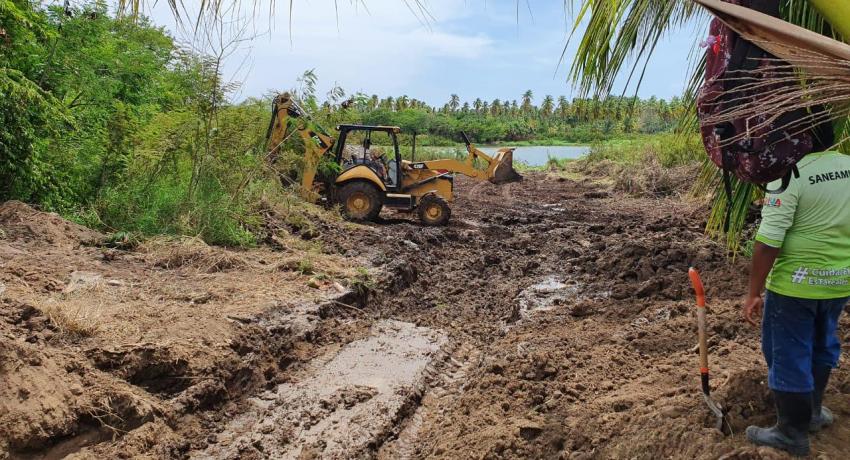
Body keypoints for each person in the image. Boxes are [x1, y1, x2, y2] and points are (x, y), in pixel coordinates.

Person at [743, 135, 850, 456]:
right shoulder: (847, 166)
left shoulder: (791, 175)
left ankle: (791, 432)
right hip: (839, 281)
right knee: (822, 342)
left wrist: (753, 293)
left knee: (787, 353)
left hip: (795, 285)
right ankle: (813, 413)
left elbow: (768, 241)